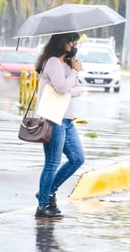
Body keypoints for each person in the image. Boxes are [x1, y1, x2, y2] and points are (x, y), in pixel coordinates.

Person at [34, 32, 84, 218]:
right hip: (54, 119)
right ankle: (42, 205)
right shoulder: (53, 62)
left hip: (68, 120)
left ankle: (47, 191)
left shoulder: (66, 64)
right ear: (64, 43)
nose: (75, 46)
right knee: (52, 163)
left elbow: (77, 90)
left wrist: (71, 76)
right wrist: (75, 72)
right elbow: (63, 88)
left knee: (78, 158)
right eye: (73, 42)